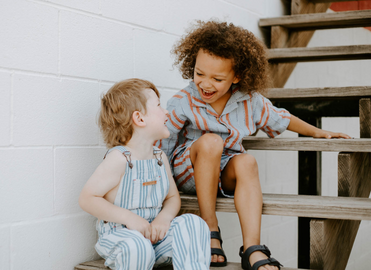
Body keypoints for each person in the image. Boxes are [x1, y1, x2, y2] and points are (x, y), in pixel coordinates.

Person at [157, 21, 351, 270]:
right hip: (189, 171)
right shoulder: (182, 101)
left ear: (236, 76)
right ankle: (210, 227)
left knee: (247, 160)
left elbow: (282, 117)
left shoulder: (250, 101)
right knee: (211, 142)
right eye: (199, 74)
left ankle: (252, 248)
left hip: (223, 173)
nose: (205, 84)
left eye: (217, 78)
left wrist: (319, 132)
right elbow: (163, 146)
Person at [79, 78, 211, 270]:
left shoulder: (160, 158)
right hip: (122, 238)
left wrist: (164, 218)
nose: (166, 112)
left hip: (155, 236)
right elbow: (87, 198)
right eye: (159, 106)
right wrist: (129, 218)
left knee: (194, 223)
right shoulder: (119, 159)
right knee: (138, 247)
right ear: (139, 119)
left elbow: (172, 197)